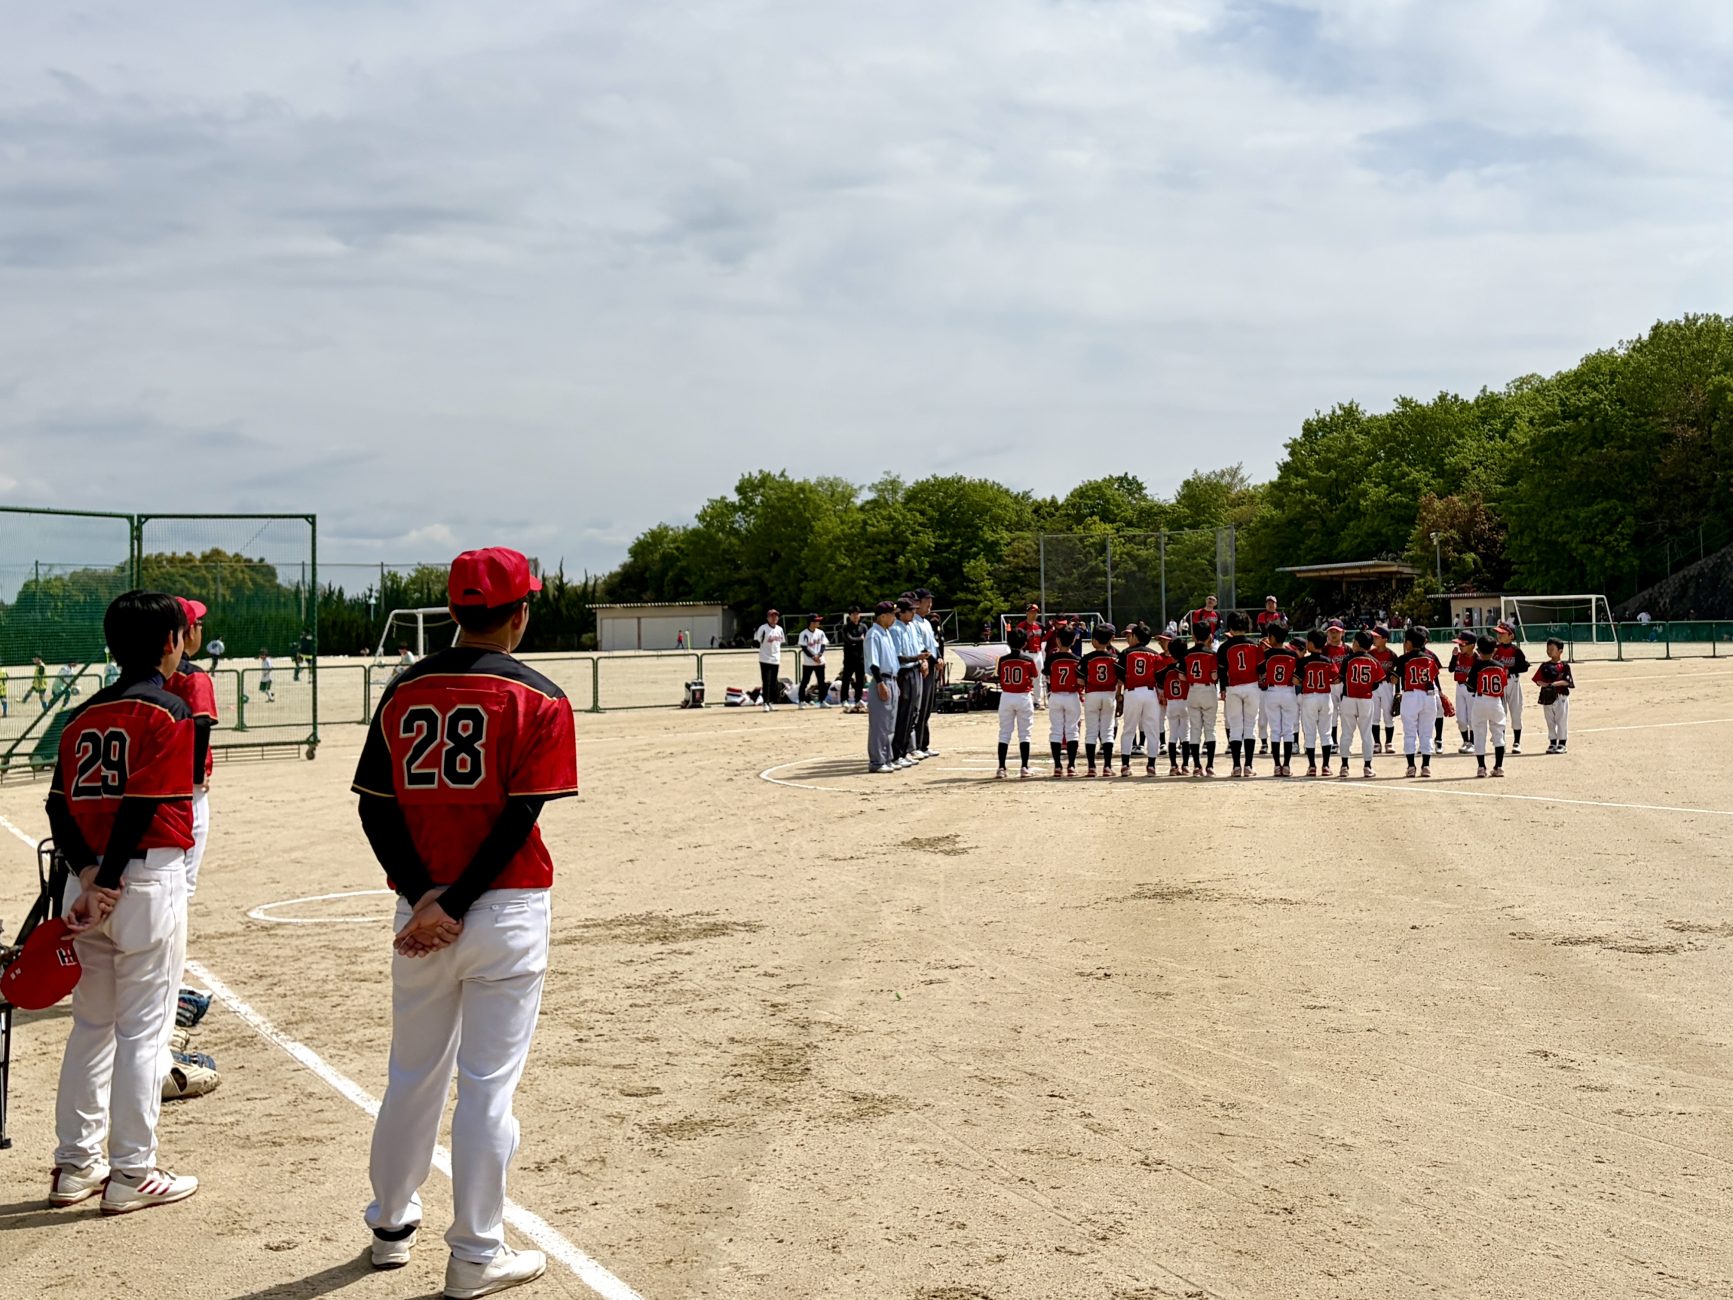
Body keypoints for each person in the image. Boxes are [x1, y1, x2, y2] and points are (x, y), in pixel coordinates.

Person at [353, 546, 577, 1295]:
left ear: (452, 611)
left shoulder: (403, 689)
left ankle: (391, 1225)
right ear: (520, 614)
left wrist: (428, 897)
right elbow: (520, 816)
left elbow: (374, 809)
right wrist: (455, 902)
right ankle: (476, 1253)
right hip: (503, 905)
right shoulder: (539, 695)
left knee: (412, 1073)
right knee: (486, 1086)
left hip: (419, 914)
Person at [43, 590, 199, 1215]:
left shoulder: (81, 716)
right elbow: (143, 801)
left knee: (91, 1025)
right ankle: (133, 1171)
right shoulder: (169, 709)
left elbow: (57, 806)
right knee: (143, 1030)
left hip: (87, 885)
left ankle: (75, 1165)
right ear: (171, 643)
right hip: (143, 880)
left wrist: (89, 876)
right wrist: (107, 879)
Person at [163, 600, 218, 898]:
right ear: (188, 632)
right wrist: (198, 773)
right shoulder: (194, 676)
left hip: (153, 778)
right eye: (198, 625)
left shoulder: (150, 675)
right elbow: (201, 722)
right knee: (184, 880)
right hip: (187, 784)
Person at [1217, 613, 1263, 778]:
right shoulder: (1254, 645)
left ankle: (1236, 766)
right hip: (1251, 686)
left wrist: (1223, 688)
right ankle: (1248, 766)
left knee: (1235, 727)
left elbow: (1222, 671)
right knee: (1250, 726)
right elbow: (1261, 668)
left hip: (1233, 687)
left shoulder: (1224, 647)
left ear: (1230, 627)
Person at [1394, 625, 1444, 778]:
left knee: (1410, 733)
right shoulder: (1430, 658)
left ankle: (1411, 767)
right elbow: (1434, 677)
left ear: (1409, 643)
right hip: (1429, 696)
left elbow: (1395, 679)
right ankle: (1426, 766)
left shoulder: (1403, 658)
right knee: (1427, 733)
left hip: (1411, 696)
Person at [1116, 623, 1163, 778]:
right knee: (1152, 729)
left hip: (1132, 691)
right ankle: (1151, 765)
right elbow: (1160, 676)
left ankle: (1125, 765)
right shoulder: (1154, 654)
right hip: (1150, 693)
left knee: (1129, 729)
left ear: (1135, 637)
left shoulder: (1126, 652)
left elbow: (1118, 671)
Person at [1337, 631, 1385, 779]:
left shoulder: (1348, 659)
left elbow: (1341, 678)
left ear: (1356, 644)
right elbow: (1377, 684)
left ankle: (1344, 766)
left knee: (1346, 733)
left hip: (1348, 698)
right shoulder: (1374, 661)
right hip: (1366, 699)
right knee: (1366, 733)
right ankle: (1367, 767)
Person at [994, 627, 1036, 778]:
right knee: (1025, 733)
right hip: (1023, 696)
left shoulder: (1003, 660)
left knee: (1004, 732)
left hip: (1006, 696)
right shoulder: (1028, 660)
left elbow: (999, 675)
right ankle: (1024, 766)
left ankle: (1001, 767)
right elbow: (1033, 676)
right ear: (1024, 643)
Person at [1258, 623, 1300, 777]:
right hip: (1288, 691)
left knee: (1275, 730)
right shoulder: (1292, 654)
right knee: (1288, 729)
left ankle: (1277, 765)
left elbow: (1260, 670)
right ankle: (1287, 765)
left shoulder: (1267, 654)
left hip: (1272, 691)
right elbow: (1298, 673)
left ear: (1272, 637)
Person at [864, 602, 902, 772]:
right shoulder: (874, 635)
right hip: (882, 680)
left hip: (892, 680)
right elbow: (874, 663)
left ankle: (887, 758)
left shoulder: (886, 633)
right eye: (892, 614)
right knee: (880, 725)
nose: (894, 617)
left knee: (890, 724)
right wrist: (880, 683)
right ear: (883, 616)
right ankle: (877, 761)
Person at [1467, 635, 1511, 777]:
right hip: (1496, 701)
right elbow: (1503, 685)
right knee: (1498, 734)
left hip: (1480, 700)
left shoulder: (1477, 666)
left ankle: (1481, 767)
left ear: (1478, 650)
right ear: (1494, 650)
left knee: (1479, 734)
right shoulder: (1500, 666)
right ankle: (1499, 767)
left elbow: (1470, 687)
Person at [1080, 623, 1120, 777]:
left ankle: (1091, 767)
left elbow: (1080, 679)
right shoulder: (1114, 658)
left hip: (1092, 694)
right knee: (1108, 731)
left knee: (1091, 731)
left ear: (1094, 641)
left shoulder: (1087, 658)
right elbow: (1120, 679)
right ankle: (1107, 767)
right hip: (1109, 694)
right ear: (1109, 640)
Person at [1043, 627, 1083, 777]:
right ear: (1073, 641)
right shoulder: (1077, 659)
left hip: (1056, 695)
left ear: (1057, 641)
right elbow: (1081, 679)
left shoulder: (1052, 658)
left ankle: (1057, 766)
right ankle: (1071, 765)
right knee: (1072, 730)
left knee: (1056, 730)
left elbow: (1047, 676)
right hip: (1072, 695)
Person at [1297, 630, 1338, 777]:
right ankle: (1326, 766)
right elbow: (1336, 679)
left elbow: (1296, 680)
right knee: (1326, 732)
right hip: (1325, 697)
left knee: (1310, 733)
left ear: (1311, 643)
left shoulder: (1304, 661)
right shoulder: (1328, 660)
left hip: (1309, 697)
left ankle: (1312, 766)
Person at [1182, 623, 1220, 777]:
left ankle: (1197, 766)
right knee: (1210, 729)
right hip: (1208, 689)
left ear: (1193, 636)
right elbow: (1214, 676)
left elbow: (1182, 676)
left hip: (1193, 689)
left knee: (1195, 729)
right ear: (1209, 636)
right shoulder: (1212, 654)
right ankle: (1210, 765)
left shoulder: (1187, 654)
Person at [913, 588, 943, 757]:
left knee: (928, 706)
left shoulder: (926, 622)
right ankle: (916, 745)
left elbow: (934, 644)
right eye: (927, 601)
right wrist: (933, 660)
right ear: (918, 603)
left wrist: (939, 657)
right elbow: (922, 647)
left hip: (931, 667)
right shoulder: (915, 622)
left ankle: (924, 744)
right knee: (920, 706)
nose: (930, 604)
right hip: (923, 667)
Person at [1492, 622, 1530, 754]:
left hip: (1513, 682)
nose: (1499, 635)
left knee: (1516, 711)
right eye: (1498, 633)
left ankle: (1517, 741)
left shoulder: (1516, 651)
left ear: (1511, 636)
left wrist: (1510, 669)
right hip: (1498, 684)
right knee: (1499, 712)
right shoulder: (1495, 649)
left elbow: (1524, 667)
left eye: (1502, 633)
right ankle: (1501, 740)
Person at [1533, 639, 1576, 754]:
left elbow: (1567, 681)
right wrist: (1546, 685)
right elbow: (1538, 680)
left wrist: (1553, 684)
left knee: (1561, 720)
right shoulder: (1544, 666)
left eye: (1552, 649)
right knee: (1550, 720)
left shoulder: (1564, 666)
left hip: (1561, 696)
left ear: (1560, 651)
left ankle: (1562, 743)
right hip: (1547, 697)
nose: (1549, 651)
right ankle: (1552, 742)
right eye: (1548, 649)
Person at [1158, 634, 1191, 775]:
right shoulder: (1186, 667)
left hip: (1171, 703)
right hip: (1185, 702)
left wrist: (1162, 690)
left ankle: (1173, 766)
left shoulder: (1168, 669)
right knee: (1186, 735)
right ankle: (1185, 765)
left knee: (1173, 735)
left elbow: (1158, 678)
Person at [1369, 626, 1398, 754]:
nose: (1374, 639)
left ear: (1385, 639)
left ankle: (1389, 742)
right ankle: (1376, 742)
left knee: (1388, 714)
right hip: (1373, 686)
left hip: (1387, 686)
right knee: (1374, 715)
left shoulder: (1391, 655)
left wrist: (1398, 692)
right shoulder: (1371, 654)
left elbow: (1397, 675)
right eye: (1374, 637)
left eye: (1377, 637)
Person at [1447, 631, 1476, 753]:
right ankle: (1466, 741)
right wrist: (1454, 656)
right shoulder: (1458, 656)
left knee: (1472, 717)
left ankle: (1473, 743)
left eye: (1463, 644)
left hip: (1471, 690)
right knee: (1461, 718)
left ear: (1472, 645)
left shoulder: (1477, 658)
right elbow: (1451, 669)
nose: (1460, 646)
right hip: (1459, 688)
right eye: (1459, 644)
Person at [752, 608, 785, 712]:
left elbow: (780, 642)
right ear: (767, 618)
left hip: (776, 659)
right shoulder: (763, 628)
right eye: (772, 616)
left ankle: (771, 702)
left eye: (776, 616)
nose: (774, 618)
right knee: (766, 681)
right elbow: (756, 642)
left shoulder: (780, 629)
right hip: (765, 658)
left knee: (774, 682)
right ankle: (765, 702)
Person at [1015, 604, 1046, 708]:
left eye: (1036, 612)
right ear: (1027, 613)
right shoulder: (1021, 626)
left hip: (1037, 653)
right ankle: (1023, 700)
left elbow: (1043, 639)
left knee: (1038, 678)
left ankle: (1037, 701)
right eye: (1032, 612)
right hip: (1025, 653)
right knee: (1025, 677)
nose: (1034, 614)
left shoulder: (1040, 626)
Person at [838, 605, 867, 713]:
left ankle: (858, 699)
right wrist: (860, 639)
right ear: (849, 616)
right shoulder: (846, 627)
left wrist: (858, 641)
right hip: (849, 658)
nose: (855, 616)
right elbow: (849, 639)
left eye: (857, 614)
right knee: (846, 679)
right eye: (853, 614)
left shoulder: (863, 627)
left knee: (860, 680)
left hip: (861, 657)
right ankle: (844, 699)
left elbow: (867, 639)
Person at [797, 614, 830, 709]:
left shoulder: (821, 632)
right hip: (808, 662)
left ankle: (822, 701)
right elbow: (804, 648)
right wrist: (813, 657)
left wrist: (819, 655)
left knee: (821, 682)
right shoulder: (803, 634)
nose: (818, 623)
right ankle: (801, 701)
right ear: (811, 622)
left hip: (820, 661)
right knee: (805, 681)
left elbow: (823, 645)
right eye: (816, 621)